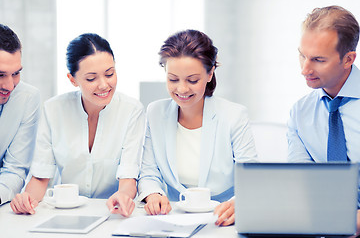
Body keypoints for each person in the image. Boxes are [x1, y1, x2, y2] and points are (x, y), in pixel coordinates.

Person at [10, 33, 145, 217]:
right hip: (63, 213)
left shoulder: (132, 111)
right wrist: (26, 199)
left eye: (110, 74)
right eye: (91, 79)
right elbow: (41, 177)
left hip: (111, 213)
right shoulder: (53, 110)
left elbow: (128, 178)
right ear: (72, 79)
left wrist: (122, 197)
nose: (104, 85)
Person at [137, 29, 257, 226]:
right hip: (172, 217)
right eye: (173, 79)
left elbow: (251, 176)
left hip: (220, 217)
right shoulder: (155, 112)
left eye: (192, 80)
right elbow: (149, 171)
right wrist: (153, 194)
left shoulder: (234, 115)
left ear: (210, 74)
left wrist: (238, 203)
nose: (182, 89)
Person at [287, 5, 360, 234]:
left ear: (348, 59)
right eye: (302, 55)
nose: (304, 69)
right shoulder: (300, 112)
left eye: (318, 59)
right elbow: (301, 182)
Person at [0, 24, 41, 205]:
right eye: (0, 75)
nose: (9, 86)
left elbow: (14, 169)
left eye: (16, 73)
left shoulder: (27, 98)